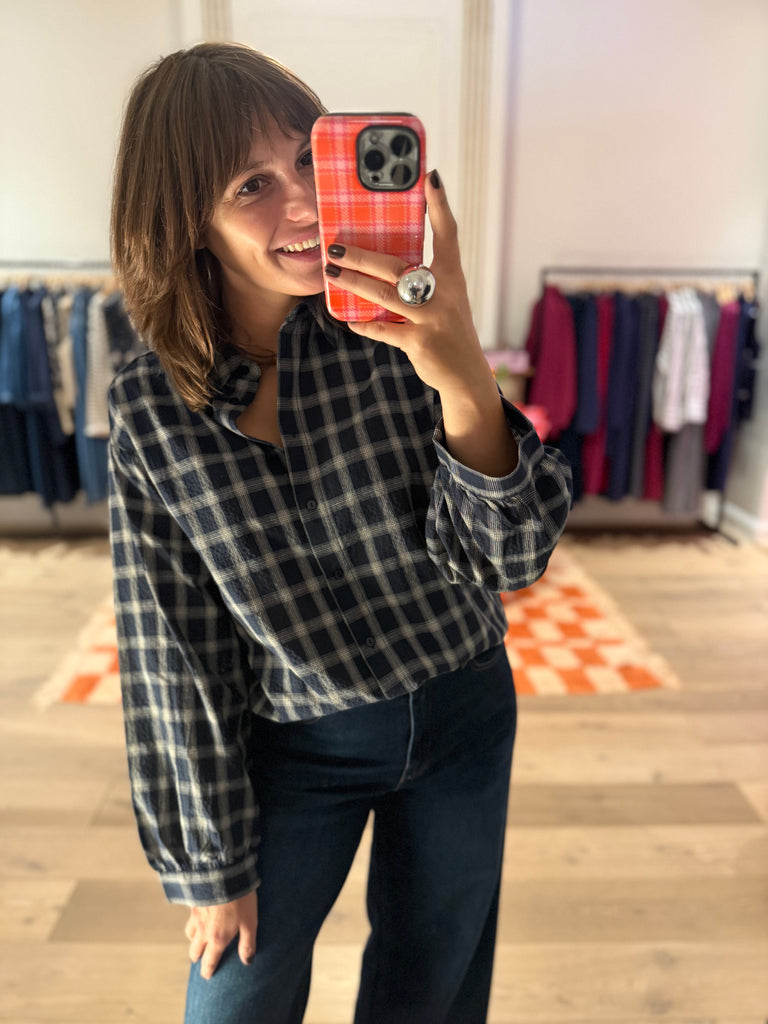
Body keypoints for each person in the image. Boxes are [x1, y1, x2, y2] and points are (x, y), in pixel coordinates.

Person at [108, 41, 572, 1024]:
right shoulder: (153, 405)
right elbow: (171, 648)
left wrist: (463, 374)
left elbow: (513, 558)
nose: (306, 206)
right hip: (297, 742)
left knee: (430, 992)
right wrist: (208, 861)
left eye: (309, 160)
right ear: (187, 217)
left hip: (463, 711)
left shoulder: (396, 327)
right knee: (232, 1003)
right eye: (252, 185)